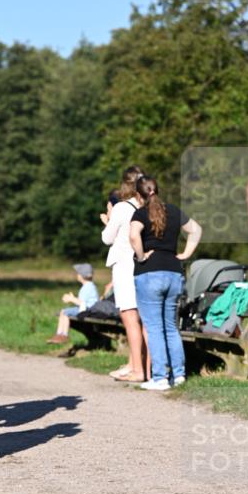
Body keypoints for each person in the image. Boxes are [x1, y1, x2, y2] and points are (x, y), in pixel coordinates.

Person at [129, 176, 202, 391]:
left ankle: (160, 377)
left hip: (149, 274)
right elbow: (196, 229)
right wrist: (186, 253)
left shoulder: (140, 213)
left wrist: (141, 257)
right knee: (171, 326)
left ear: (138, 195)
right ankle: (178, 375)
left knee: (154, 328)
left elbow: (134, 236)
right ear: (157, 191)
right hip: (173, 272)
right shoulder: (173, 210)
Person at [101, 167, 148, 382]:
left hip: (125, 266)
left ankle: (137, 370)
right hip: (145, 265)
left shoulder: (121, 208)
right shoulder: (148, 206)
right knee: (144, 319)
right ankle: (139, 366)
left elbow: (107, 238)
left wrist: (108, 219)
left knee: (130, 318)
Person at [46, 263, 100, 344]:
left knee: (65, 312)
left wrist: (71, 299)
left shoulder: (87, 287)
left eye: (78, 273)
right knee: (63, 312)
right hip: (88, 309)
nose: (77, 275)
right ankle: (59, 335)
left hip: (87, 310)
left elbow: (82, 303)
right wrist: (74, 298)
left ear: (82, 276)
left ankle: (63, 335)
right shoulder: (90, 286)